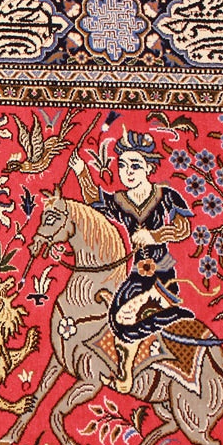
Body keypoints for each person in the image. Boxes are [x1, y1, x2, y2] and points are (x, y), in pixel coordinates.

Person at [68, 130, 196, 392]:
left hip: (161, 276)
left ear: (149, 168)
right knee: (114, 318)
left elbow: (184, 228)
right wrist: (81, 171)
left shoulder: (166, 196)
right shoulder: (120, 200)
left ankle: (126, 378)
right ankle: (125, 371)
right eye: (123, 165)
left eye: (135, 165)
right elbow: (94, 199)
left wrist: (154, 236)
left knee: (125, 318)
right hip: (136, 276)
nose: (127, 172)